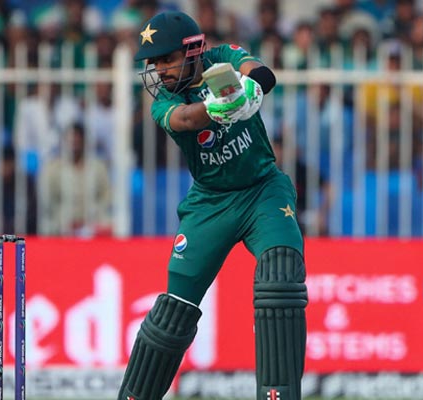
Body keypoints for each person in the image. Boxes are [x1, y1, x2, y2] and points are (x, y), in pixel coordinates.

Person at [118, 11, 307, 400]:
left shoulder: (223, 56)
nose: (160, 71)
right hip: (209, 204)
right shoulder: (165, 101)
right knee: (174, 311)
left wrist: (249, 90)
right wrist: (217, 109)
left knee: (281, 275)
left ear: (193, 50)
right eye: (154, 63)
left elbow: (261, 72)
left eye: (166, 59)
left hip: (262, 190)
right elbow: (185, 119)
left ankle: (279, 395)